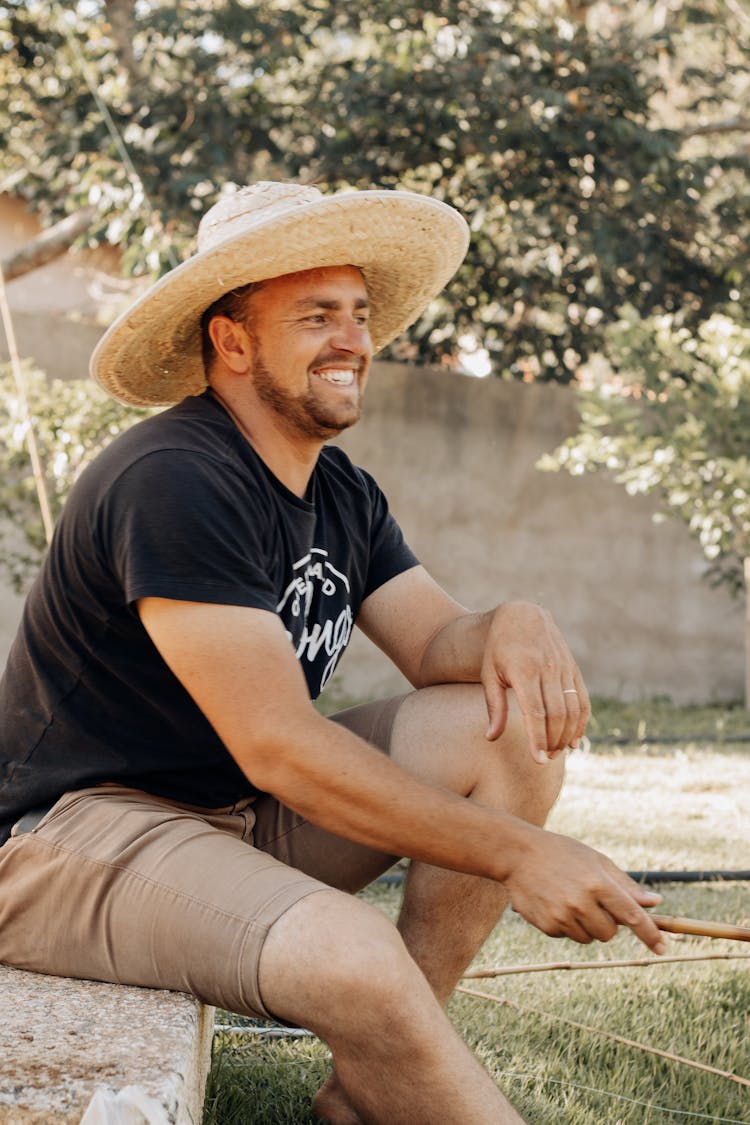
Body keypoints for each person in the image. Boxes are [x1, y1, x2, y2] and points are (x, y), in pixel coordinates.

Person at [0, 181, 665, 1125]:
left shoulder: (340, 491)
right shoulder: (172, 479)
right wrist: (525, 854)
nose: (353, 339)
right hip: (71, 838)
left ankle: (366, 1094)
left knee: (502, 727)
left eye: (357, 314)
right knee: (354, 951)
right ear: (231, 340)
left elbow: (438, 641)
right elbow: (280, 744)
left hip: (234, 814)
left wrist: (512, 618)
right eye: (316, 315)